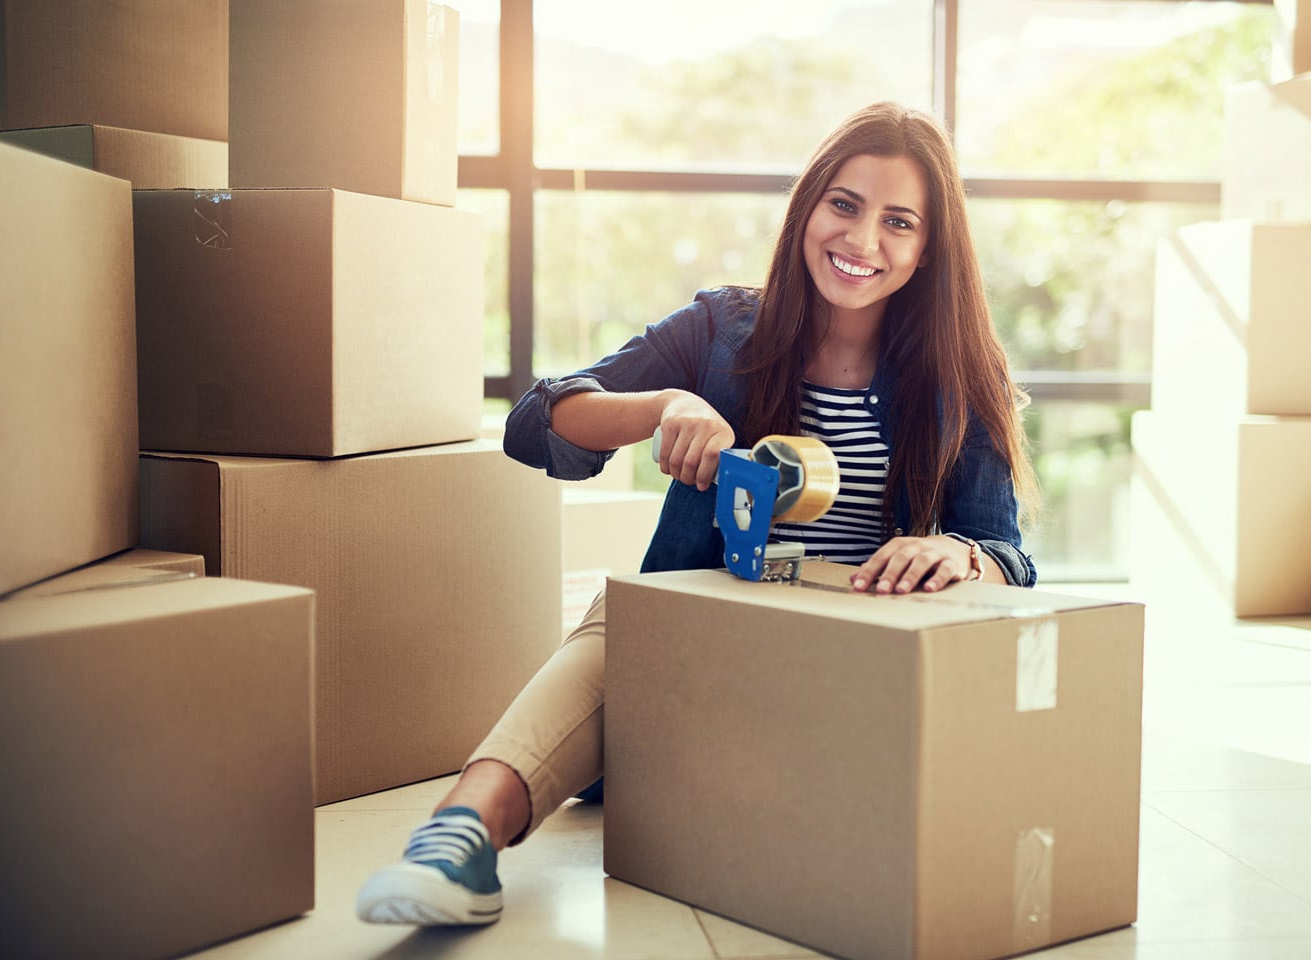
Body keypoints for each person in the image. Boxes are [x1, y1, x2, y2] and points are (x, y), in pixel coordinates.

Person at [355, 100, 1039, 927]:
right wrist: (665, 405)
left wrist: (963, 553)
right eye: (845, 206)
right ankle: (458, 839)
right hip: (706, 644)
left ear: (929, 250)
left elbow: (1009, 552)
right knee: (628, 620)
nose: (863, 243)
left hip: (855, 659)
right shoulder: (724, 330)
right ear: (808, 208)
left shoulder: (961, 377)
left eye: (899, 222)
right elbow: (535, 425)